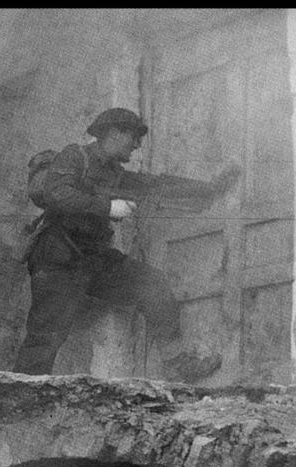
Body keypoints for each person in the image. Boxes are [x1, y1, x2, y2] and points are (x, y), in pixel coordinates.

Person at [15, 107, 240, 378]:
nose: (136, 145)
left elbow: (156, 185)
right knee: (46, 338)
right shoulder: (74, 157)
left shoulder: (114, 173)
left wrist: (209, 188)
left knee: (153, 286)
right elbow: (56, 194)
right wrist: (108, 207)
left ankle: (177, 365)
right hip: (57, 260)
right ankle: (18, 400)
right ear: (113, 133)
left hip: (92, 260)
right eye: (133, 137)